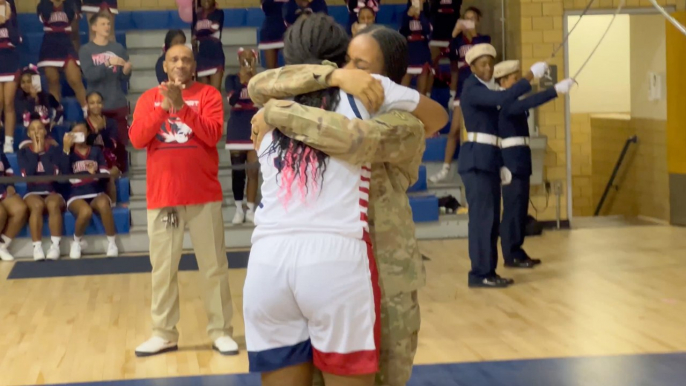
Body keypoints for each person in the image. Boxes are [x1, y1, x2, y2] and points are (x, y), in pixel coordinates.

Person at [244, 14, 442, 386]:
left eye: (359, 65)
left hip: (382, 278)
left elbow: (355, 138)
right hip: (340, 267)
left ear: (383, 78)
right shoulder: (319, 97)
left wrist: (276, 112)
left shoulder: (400, 123)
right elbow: (262, 84)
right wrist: (323, 82)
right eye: (345, 60)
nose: (347, 69)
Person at [129, 44, 238, 357]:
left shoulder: (209, 96)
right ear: (165, 65)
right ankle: (163, 333)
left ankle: (220, 331)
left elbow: (212, 134)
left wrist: (183, 107)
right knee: (163, 269)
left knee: (214, 267)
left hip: (203, 196)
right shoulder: (148, 99)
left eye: (186, 59)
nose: (180, 64)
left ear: (194, 67)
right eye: (174, 59)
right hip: (164, 198)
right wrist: (165, 106)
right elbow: (137, 138)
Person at [458, 43, 548, 288]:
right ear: (473, 67)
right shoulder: (472, 88)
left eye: (490, 63)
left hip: (490, 158)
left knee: (491, 221)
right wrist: (530, 76)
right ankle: (480, 273)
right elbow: (504, 97)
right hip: (477, 158)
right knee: (482, 220)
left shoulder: (485, 89)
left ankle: (488, 270)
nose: (487, 68)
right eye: (483, 64)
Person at [494, 60, 573, 268]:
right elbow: (530, 102)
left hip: (519, 158)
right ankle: (510, 253)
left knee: (519, 208)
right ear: (503, 81)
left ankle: (517, 250)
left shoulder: (510, 99)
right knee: (513, 209)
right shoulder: (504, 101)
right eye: (514, 78)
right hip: (511, 160)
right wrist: (555, 90)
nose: (518, 81)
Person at [429, 6, 490, 184]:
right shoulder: (458, 42)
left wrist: (472, 35)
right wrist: (454, 35)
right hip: (462, 89)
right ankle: (445, 169)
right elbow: (451, 64)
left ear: (478, 21)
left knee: (472, 131)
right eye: (466, 18)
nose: (468, 22)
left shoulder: (484, 40)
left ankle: (473, 168)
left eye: (472, 18)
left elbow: (483, 55)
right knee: (454, 129)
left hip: (479, 89)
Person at [58, 122, 118, 258]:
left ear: (87, 133)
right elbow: (64, 176)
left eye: (81, 131)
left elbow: (104, 173)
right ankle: (76, 241)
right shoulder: (68, 154)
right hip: (76, 194)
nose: (79, 135)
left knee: (103, 204)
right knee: (85, 212)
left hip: (95, 190)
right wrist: (66, 149)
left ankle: (112, 243)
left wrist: (97, 173)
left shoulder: (96, 151)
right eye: (75, 132)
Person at [79, 12, 132, 146]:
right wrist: (107, 63)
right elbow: (90, 75)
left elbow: (123, 77)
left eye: (108, 24)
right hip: (97, 107)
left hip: (117, 103)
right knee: (99, 147)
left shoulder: (118, 48)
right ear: (94, 27)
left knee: (120, 146)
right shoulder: (86, 50)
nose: (107, 27)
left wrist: (126, 71)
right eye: (103, 24)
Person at [18, 119, 66, 261]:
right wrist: (36, 152)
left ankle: (55, 246)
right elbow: (29, 174)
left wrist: (43, 154)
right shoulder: (23, 152)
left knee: (52, 204)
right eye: (32, 129)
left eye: (39, 128)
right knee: (37, 205)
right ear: (28, 133)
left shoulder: (55, 150)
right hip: (32, 192)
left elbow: (54, 174)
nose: (37, 131)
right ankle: (37, 247)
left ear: (45, 131)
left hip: (52, 191)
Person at [37, 0, 88, 119]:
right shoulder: (43, 5)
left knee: (75, 79)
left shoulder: (72, 3)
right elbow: (44, 17)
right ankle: (57, 111)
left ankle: (87, 110)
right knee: (52, 81)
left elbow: (75, 31)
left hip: (66, 42)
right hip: (49, 43)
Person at [225, 48, 258, 225]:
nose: (247, 62)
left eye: (250, 59)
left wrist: (253, 80)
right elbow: (231, 100)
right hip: (237, 127)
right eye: (244, 59)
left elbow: (264, 101)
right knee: (238, 172)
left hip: (254, 126)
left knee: (253, 170)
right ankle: (238, 209)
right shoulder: (231, 79)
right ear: (239, 60)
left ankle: (251, 209)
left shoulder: (261, 80)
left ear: (255, 60)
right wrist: (242, 81)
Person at [84, 91, 124, 200]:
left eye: (98, 102)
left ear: (103, 104)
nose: (96, 105)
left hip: (109, 161)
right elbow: (85, 145)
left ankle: (113, 208)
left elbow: (112, 145)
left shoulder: (111, 123)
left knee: (109, 176)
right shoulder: (83, 124)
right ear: (87, 105)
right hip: (90, 161)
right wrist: (97, 131)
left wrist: (101, 131)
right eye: (92, 103)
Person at [15, 66, 64, 132]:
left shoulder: (47, 97)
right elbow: (23, 116)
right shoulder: (18, 100)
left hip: (45, 132)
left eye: (29, 81)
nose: (26, 84)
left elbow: (60, 109)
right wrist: (32, 99)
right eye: (23, 82)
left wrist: (55, 121)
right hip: (27, 132)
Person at [399, 0, 432, 95]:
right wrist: (408, 16)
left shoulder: (428, 14)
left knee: (422, 90)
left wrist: (421, 13)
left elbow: (427, 30)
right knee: (403, 88)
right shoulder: (405, 14)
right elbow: (402, 32)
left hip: (422, 51)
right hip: (409, 51)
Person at [0, 152, 28, 261]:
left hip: (3, 189)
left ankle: (2, 246)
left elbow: (9, 172)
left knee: (20, 209)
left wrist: (10, 185)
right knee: (1, 213)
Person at [0, 0, 19, 153]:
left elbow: (15, 40)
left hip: (10, 61)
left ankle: (8, 141)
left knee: (9, 103)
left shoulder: (10, 11)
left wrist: (7, 20)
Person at [193, 0, 224, 90]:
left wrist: (198, 35)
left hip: (216, 55)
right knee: (203, 93)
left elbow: (213, 28)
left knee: (215, 92)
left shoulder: (219, 13)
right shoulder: (196, 14)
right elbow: (193, 35)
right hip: (201, 56)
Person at [258, 0, 287, 69]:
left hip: (288, 31)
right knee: (271, 71)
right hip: (269, 31)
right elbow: (265, 7)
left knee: (293, 69)